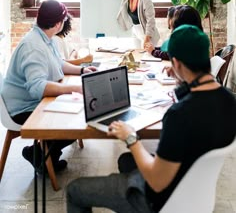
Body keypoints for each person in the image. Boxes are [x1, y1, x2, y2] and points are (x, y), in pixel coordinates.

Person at [66, 24, 236, 213]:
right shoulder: (229, 100)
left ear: (177, 63)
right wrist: (182, 80)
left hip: (163, 200)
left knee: (75, 190)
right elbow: (200, 110)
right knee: (126, 161)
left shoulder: (178, 115)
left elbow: (156, 181)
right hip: (196, 191)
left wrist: (131, 138)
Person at [2, 0, 96, 172]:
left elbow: (58, 63)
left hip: (34, 101)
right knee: (77, 121)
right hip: (22, 109)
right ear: (59, 23)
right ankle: (40, 155)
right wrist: (74, 88)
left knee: (79, 114)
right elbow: (38, 87)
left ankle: (43, 155)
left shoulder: (45, 37)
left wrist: (81, 71)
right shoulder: (33, 46)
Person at [91, 0, 159, 49]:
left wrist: (147, 39)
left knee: (147, 57)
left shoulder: (146, 1)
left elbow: (151, 22)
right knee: (136, 55)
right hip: (136, 31)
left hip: (148, 34)